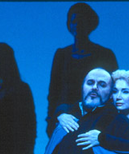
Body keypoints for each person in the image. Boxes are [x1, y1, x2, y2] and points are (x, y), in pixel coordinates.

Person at [45, 3, 118, 137]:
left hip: (97, 120)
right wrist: (51, 122)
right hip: (66, 119)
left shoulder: (105, 54)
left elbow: (115, 89)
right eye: (74, 21)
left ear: (89, 24)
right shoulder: (61, 55)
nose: (77, 24)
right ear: (69, 24)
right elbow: (53, 93)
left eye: (81, 20)